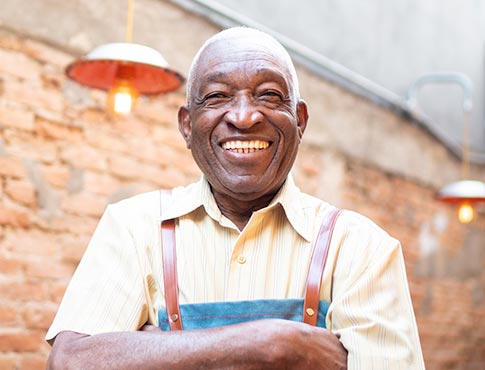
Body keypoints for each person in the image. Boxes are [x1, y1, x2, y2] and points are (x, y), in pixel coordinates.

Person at [46, 27, 425, 370]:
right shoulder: (133, 227)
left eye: (269, 95)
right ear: (187, 124)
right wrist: (276, 344)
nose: (244, 117)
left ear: (300, 120)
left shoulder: (361, 248)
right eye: (216, 96)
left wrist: (156, 350)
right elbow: (71, 363)